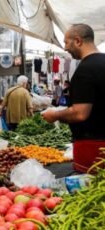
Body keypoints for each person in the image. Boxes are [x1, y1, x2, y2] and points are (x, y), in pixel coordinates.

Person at [42, 23, 105, 173]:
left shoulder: (85, 69)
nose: (65, 48)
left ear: (78, 41)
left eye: (66, 42)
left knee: (93, 188)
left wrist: (54, 115)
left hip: (93, 145)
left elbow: (80, 113)